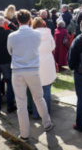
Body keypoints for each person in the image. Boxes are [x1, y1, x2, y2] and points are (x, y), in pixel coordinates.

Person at [7, 9, 54, 141]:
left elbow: (10, 51)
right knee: (39, 98)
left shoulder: (12, 36)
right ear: (29, 20)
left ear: (17, 20)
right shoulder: (36, 35)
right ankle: (47, 123)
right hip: (32, 69)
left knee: (21, 103)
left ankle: (24, 133)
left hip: (18, 70)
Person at [29, 17, 57, 119]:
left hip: (35, 63)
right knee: (47, 90)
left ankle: (36, 114)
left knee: (36, 91)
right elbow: (53, 46)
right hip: (47, 62)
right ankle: (46, 113)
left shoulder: (31, 35)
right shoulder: (48, 34)